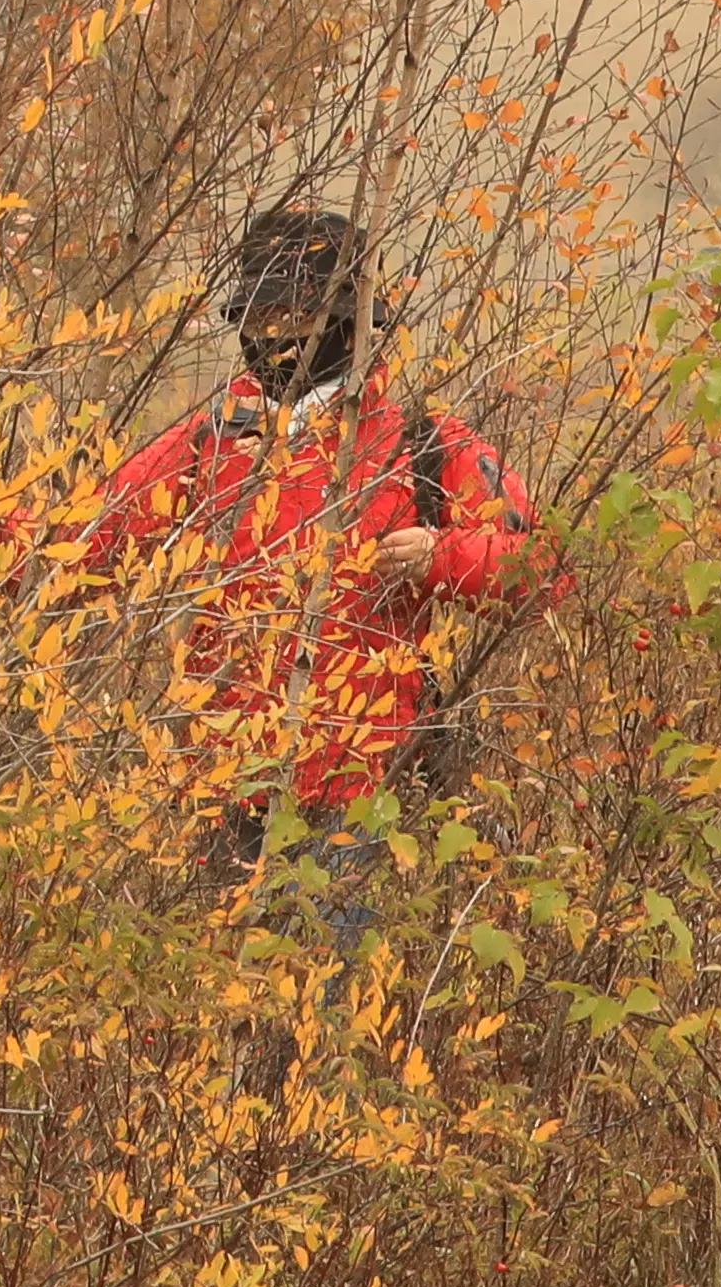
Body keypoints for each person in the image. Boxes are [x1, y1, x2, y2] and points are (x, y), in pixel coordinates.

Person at [57, 205, 544, 961]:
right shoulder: (212, 438)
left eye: (301, 311)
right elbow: (88, 541)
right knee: (208, 1011)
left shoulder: (422, 441)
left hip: (357, 800)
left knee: (320, 1018)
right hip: (225, 787)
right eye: (265, 311)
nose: (281, 333)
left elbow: (541, 567)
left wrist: (442, 555)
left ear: (351, 319)